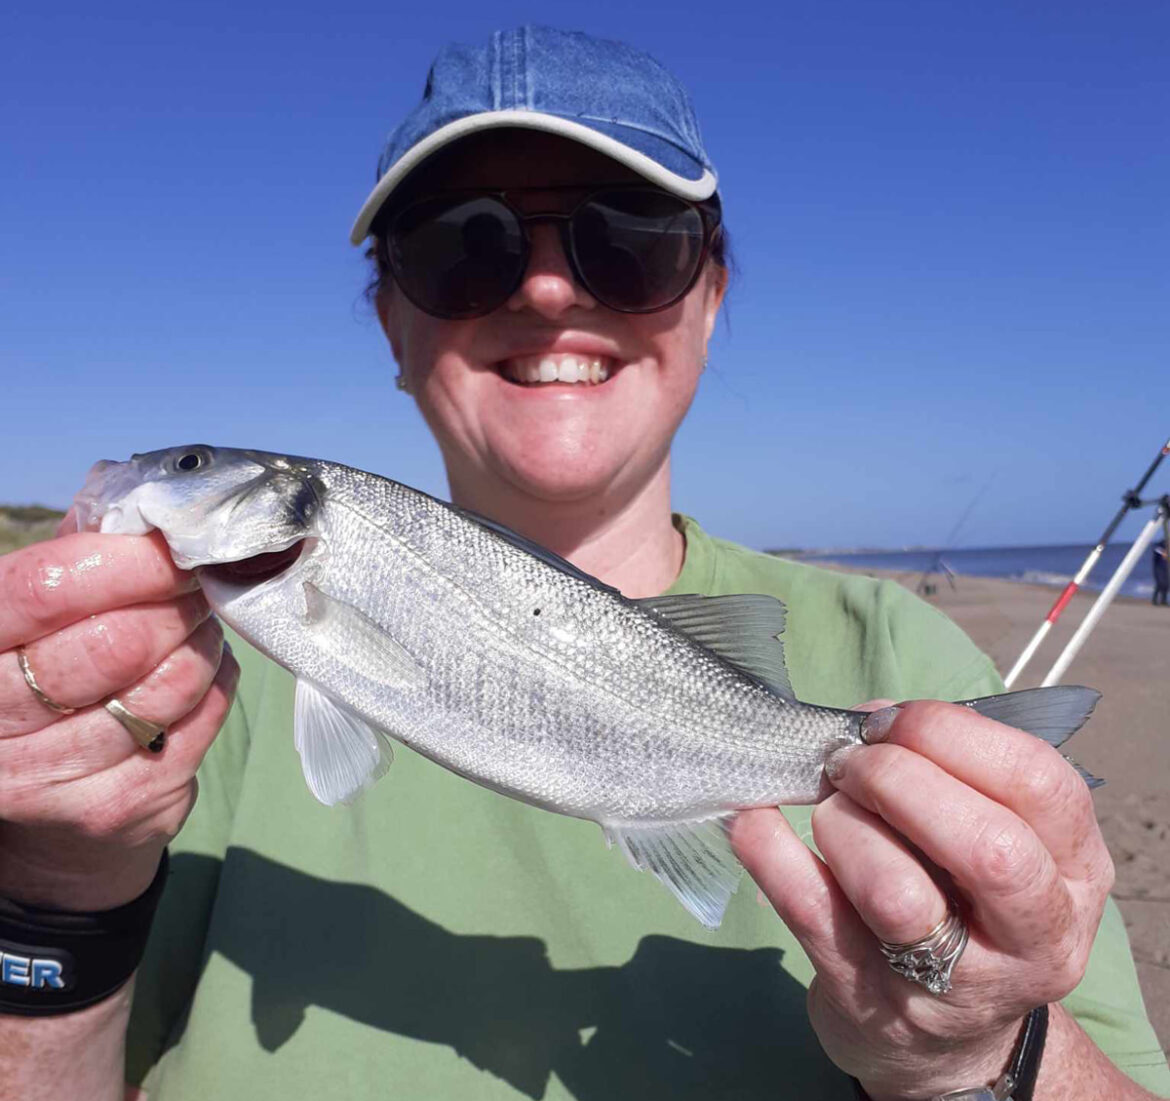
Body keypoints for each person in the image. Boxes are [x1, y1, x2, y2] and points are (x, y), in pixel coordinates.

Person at [1, 26, 1167, 1101]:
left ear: (711, 301)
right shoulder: (171, 701)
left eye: (629, 242)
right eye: (465, 249)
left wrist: (978, 1052)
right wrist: (50, 891)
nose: (549, 292)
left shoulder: (904, 656)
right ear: (392, 326)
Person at [1152, 538, 1168, 606]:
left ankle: (1163, 600)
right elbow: (1157, 551)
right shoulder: (1159, 547)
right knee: (1160, 583)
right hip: (1158, 568)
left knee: (1166, 584)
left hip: (1165, 568)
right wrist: (1164, 552)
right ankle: (1154, 600)